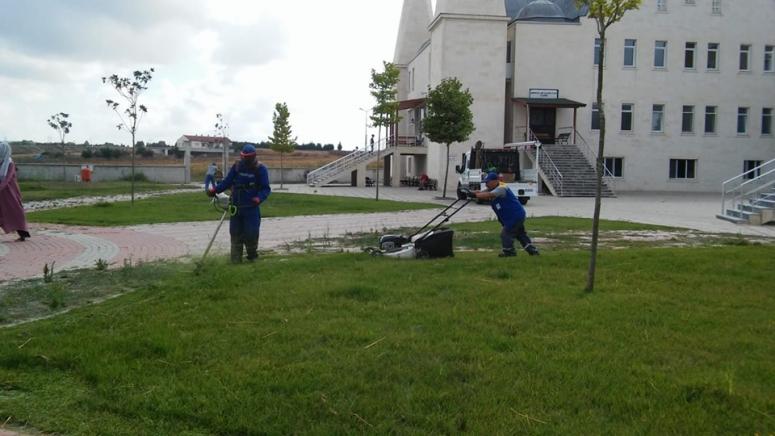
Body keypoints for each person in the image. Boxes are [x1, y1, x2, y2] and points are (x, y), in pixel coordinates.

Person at [208, 144, 271, 263]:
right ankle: (236, 259)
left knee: (251, 233)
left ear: (253, 157)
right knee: (235, 233)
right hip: (236, 207)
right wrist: (215, 190)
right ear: (242, 156)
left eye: (248, 158)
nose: (246, 160)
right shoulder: (237, 166)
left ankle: (252, 257)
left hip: (251, 207)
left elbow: (266, 188)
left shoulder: (260, 169)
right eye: (244, 157)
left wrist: (259, 198)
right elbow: (227, 181)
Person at [467, 172, 538, 257]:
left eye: (487, 182)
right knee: (520, 235)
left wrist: (476, 195)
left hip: (514, 216)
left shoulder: (501, 188)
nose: (486, 184)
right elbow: (482, 192)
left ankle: (509, 252)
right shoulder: (495, 187)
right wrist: (471, 193)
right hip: (515, 215)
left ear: (495, 181)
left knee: (506, 234)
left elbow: (489, 194)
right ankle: (533, 251)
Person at [0, 142, 30, 241]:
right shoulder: (1, 162)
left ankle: (23, 233)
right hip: (2, 192)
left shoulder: (10, 163)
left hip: (10, 192)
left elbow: (7, 178)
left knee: (15, 211)